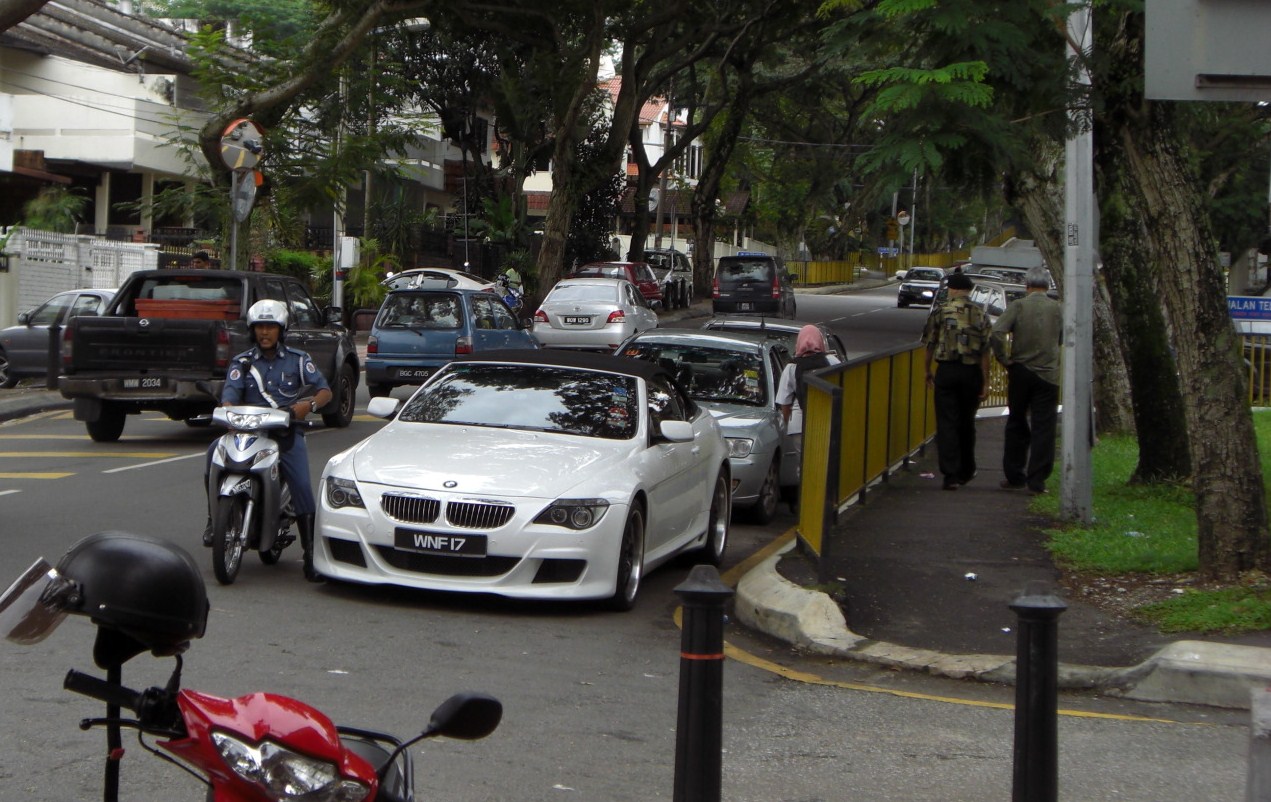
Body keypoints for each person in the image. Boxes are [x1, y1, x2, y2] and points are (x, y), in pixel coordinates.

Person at [201, 299, 332, 581]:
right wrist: (227, 411)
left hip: (284, 434)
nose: (265, 332)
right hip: (248, 433)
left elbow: (324, 391)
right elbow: (230, 394)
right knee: (213, 453)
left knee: (300, 484)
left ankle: (311, 556)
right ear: (252, 330)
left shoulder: (298, 360)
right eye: (260, 326)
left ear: (281, 329)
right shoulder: (242, 362)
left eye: (270, 327)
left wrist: (305, 406)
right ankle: (214, 521)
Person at [990, 265, 1062, 495]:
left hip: (1021, 370)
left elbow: (997, 332)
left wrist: (1004, 358)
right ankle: (1037, 480)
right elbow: (1063, 337)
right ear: (1048, 286)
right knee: (1044, 426)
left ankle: (1014, 475)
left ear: (1027, 286)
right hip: (1049, 374)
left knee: (1017, 422)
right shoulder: (1057, 308)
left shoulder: (1018, 306)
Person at [922, 271, 991, 490]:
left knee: (947, 422)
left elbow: (930, 343)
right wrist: (986, 381)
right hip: (971, 373)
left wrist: (927, 369)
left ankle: (950, 475)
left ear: (952, 289)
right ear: (969, 290)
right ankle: (966, 470)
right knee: (966, 421)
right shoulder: (980, 313)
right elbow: (986, 351)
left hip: (947, 371)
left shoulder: (940, 311)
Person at [776, 325, 842, 489]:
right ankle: (825, 494)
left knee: (806, 463)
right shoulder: (831, 361)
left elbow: (785, 402)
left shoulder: (791, 367)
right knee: (825, 460)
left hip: (799, 425)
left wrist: (787, 423)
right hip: (826, 421)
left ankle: (807, 497)